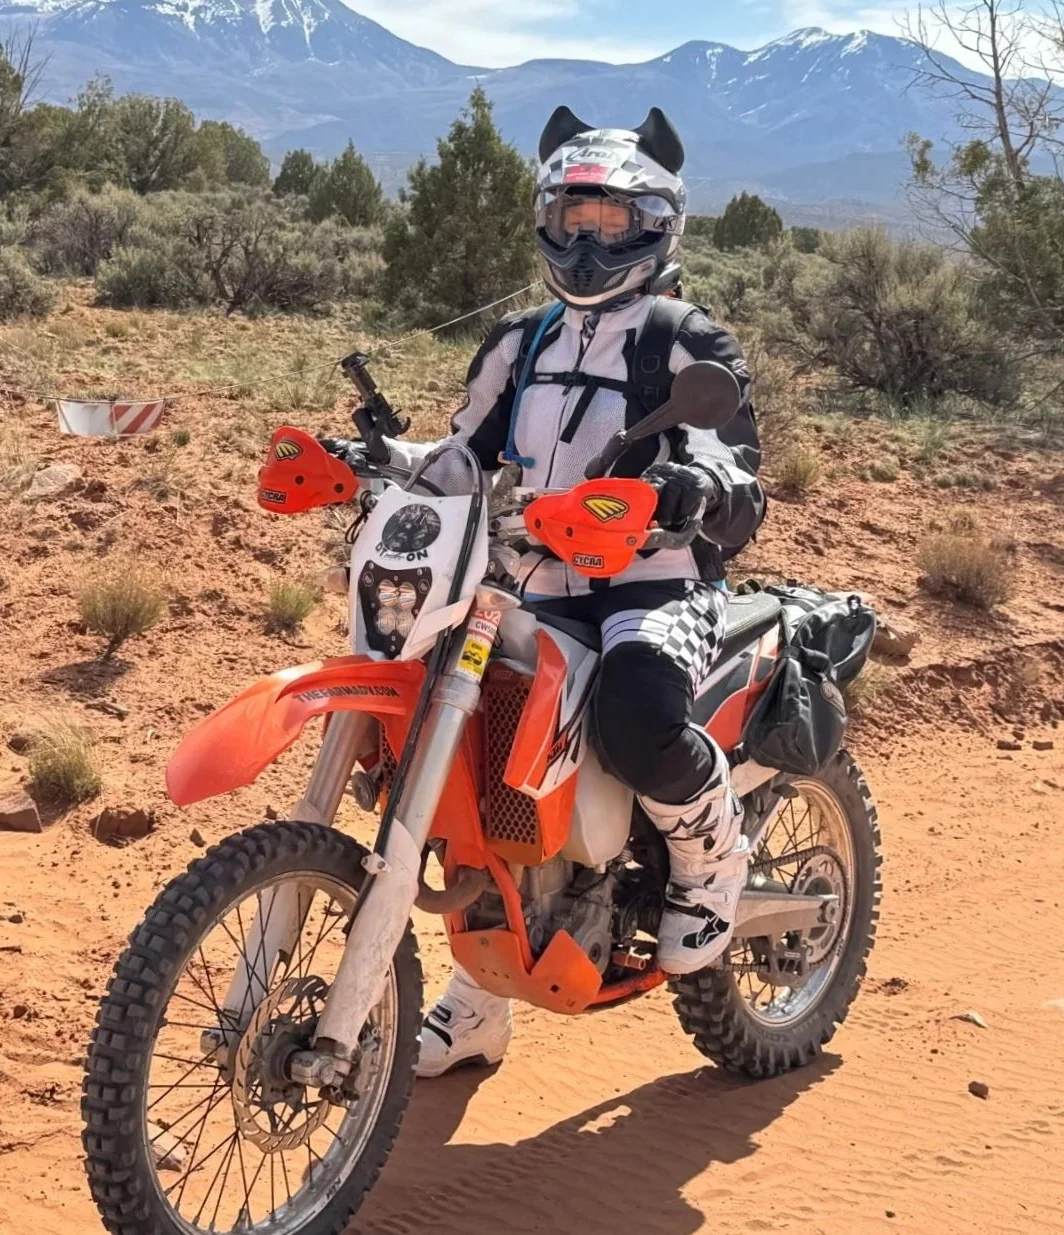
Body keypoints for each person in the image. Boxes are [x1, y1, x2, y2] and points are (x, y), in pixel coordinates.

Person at [328, 106, 765, 1077]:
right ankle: (481, 995)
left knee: (638, 704)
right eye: (572, 216)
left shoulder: (687, 341)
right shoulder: (516, 346)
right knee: (467, 755)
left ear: (657, 224)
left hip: (655, 585)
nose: (585, 237)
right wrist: (368, 459)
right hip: (530, 580)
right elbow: (459, 459)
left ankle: (709, 859)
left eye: (610, 221)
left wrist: (690, 491)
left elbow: (742, 478)